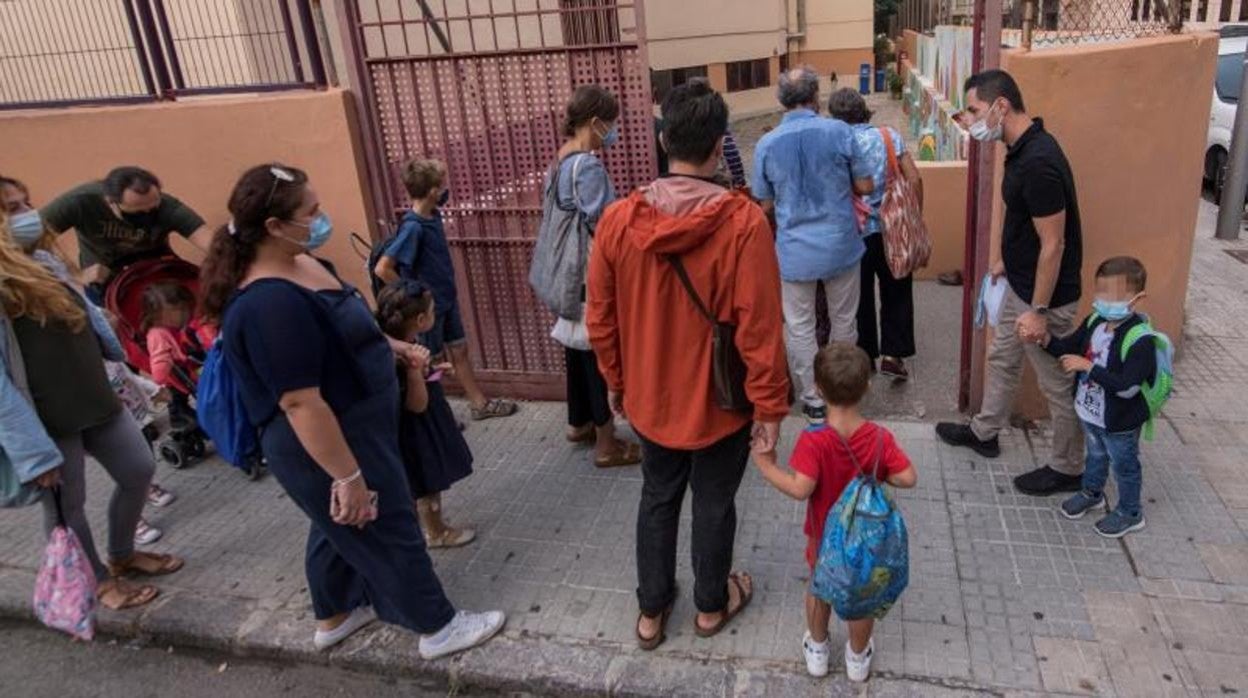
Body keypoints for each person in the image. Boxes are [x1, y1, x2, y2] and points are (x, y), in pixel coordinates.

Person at [199, 163, 503, 658]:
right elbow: (300, 401)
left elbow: (349, 325)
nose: (322, 218)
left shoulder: (304, 263)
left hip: (361, 423)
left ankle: (335, 615)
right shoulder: (267, 305)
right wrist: (348, 476)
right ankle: (438, 627)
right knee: (389, 523)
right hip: (329, 439)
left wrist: (395, 349)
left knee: (334, 526)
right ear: (274, 226)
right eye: (311, 212)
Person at [587, 80, 790, 649]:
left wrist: (616, 381)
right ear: (720, 142)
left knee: (657, 496)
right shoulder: (744, 224)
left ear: (662, 138)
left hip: (650, 399)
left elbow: (601, 317)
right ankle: (709, 605)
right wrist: (770, 405)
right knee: (714, 500)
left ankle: (651, 611)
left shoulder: (618, 220)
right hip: (722, 404)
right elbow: (760, 328)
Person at [0, 215, 184, 611]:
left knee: (138, 470)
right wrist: (32, 455)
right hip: (47, 422)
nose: (28, 216)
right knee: (68, 507)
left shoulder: (46, 264)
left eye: (24, 204)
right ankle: (99, 581)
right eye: (11, 210)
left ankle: (122, 554)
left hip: (95, 397)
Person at [936, 69, 1086, 496]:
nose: (969, 120)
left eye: (974, 110)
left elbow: (1053, 244)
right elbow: (1025, 222)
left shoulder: (1038, 162)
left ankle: (1068, 467)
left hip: (1044, 299)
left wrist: (1038, 312)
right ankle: (985, 433)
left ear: (1001, 105)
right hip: (1019, 284)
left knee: (1056, 382)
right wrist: (1003, 259)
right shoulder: (1019, 149)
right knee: (1003, 358)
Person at [752, 343, 916, 682]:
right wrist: (878, 473)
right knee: (862, 598)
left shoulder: (814, 441)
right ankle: (857, 658)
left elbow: (800, 488)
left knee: (819, 588)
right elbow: (908, 477)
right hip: (867, 542)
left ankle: (818, 649)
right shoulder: (879, 438)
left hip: (823, 537)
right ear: (867, 387)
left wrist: (765, 465)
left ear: (818, 389)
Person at [752, 66, 875, 423]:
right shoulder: (839, 131)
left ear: (781, 101)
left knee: (799, 326)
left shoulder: (766, 143)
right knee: (843, 320)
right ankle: (842, 391)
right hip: (840, 245)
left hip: (794, 252)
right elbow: (866, 186)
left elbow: (764, 203)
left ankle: (812, 398)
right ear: (816, 96)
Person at [541, 84, 641, 468]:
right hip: (587, 273)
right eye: (611, 124)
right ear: (596, 122)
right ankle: (606, 443)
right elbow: (606, 224)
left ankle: (578, 422)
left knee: (575, 350)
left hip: (566, 275)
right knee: (598, 353)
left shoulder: (560, 160)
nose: (613, 131)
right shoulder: (588, 166)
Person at [374, 159, 518, 422]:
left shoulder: (432, 216)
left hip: (444, 302)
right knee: (430, 362)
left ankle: (479, 404)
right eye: (442, 184)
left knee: (459, 351)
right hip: (427, 309)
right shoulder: (413, 227)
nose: (445, 189)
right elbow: (383, 268)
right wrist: (412, 297)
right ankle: (436, 417)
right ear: (431, 190)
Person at [1042, 257, 1156, 538]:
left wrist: (1089, 367)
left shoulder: (1141, 340)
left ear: (1137, 299)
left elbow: (1127, 388)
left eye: (1115, 296)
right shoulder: (1095, 321)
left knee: (1124, 465)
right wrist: (1043, 340)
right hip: (1091, 412)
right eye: (1101, 293)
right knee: (1094, 455)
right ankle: (1092, 493)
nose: (1106, 302)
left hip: (1119, 420)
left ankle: (1131, 513)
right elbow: (1068, 347)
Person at [827, 88, 924, 379]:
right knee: (897, 290)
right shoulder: (888, 136)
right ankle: (894, 355)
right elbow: (914, 177)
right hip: (892, 229)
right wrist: (915, 215)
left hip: (854, 232)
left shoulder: (838, 142)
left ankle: (865, 355)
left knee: (860, 296)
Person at [375, 279, 476, 548]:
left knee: (422, 483)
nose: (435, 314)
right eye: (432, 311)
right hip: (418, 432)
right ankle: (437, 532)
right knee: (426, 485)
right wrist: (416, 371)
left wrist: (433, 368)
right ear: (421, 319)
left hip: (415, 428)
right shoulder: (405, 358)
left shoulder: (399, 345)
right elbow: (416, 404)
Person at [40, 167, 213, 302]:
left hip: (158, 276)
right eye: (137, 214)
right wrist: (74, 274)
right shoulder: (80, 202)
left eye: (153, 210)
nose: (147, 216)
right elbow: (30, 236)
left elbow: (210, 242)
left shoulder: (169, 207)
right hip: (104, 284)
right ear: (110, 202)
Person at [141, 282, 203, 431]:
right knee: (176, 397)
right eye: (178, 310)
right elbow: (159, 359)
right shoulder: (157, 334)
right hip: (175, 373)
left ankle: (181, 412)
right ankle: (177, 417)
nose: (185, 313)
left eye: (185, 308)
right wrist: (160, 380)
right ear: (157, 315)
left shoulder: (177, 326)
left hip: (189, 366)